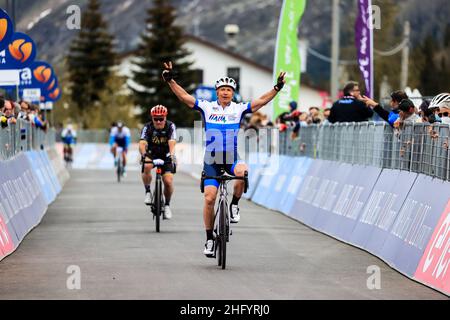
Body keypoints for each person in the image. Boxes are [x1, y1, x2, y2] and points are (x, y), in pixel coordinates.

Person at [162, 61, 286, 257]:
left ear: (233, 93)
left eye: (229, 89)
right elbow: (185, 97)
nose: (226, 92)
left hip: (231, 157)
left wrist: (277, 88)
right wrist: (170, 81)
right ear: (217, 92)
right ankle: (209, 239)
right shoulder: (207, 107)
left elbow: (261, 101)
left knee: (242, 172)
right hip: (211, 160)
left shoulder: (238, 109)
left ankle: (234, 204)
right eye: (222, 89)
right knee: (209, 198)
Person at [139, 105, 177, 220]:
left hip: (166, 154)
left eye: (161, 118)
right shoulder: (147, 127)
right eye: (156, 119)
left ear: (165, 117)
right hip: (152, 153)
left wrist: (172, 155)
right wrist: (143, 154)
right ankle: (147, 191)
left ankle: (167, 205)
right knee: (147, 165)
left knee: (168, 181)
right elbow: (142, 143)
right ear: (152, 118)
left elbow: (172, 142)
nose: (159, 121)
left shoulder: (170, 126)